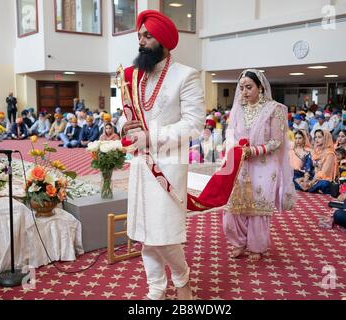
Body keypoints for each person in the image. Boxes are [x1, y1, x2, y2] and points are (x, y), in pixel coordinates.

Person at [118, 10, 205, 300]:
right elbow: (125, 117)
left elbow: (194, 125)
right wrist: (124, 126)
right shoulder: (135, 77)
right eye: (139, 36)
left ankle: (182, 282)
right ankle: (156, 288)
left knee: (165, 234)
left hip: (167, 166)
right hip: (141, 166)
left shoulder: (187, 75)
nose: (141, 41)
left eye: (147, 36)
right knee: (145, 233)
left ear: (164, 39)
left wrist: (151, 137)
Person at [223, 69, 295, 262]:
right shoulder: (238, 108)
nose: (244, 92)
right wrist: (234, 148)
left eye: (249, 87)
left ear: (260, 87)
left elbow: (277, 141)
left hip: (264, 165)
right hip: (240, 162)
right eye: (241, 88)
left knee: (257, 206)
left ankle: (256, 246)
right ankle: (238, 243)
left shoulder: (275, 109)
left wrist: (253, 151)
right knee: (234, 205)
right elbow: (230, 133)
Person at [294, 129, 337, 194]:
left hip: (320, 178)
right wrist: (305, 179)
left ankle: (305, 187)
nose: (316, 139)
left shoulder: (329, 154)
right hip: (311, 177)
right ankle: (307, 187)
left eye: (319, 137)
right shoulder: (314, 151)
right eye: (315, 137)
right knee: (293, 173)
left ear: (326, 138)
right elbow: (307, 166)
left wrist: (312, 182)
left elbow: (324, 172)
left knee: (324, 184)